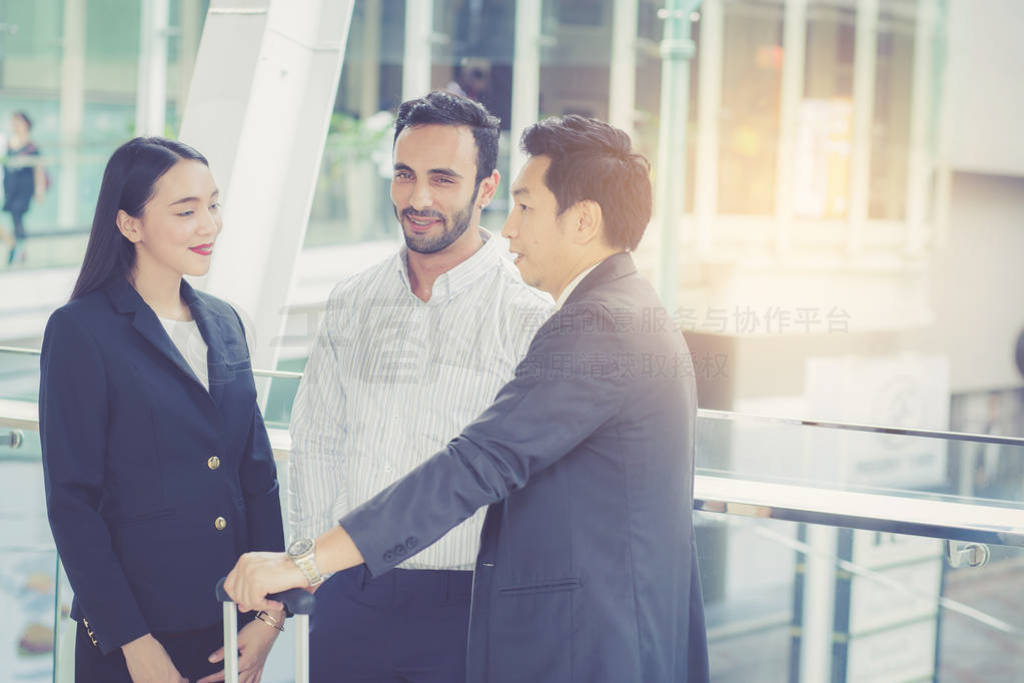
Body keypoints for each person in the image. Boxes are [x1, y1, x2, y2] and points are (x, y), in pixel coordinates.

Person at [226, 115, 710, 682]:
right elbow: (321, 446)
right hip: (592, 630)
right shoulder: (628, 308)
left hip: (585, 640)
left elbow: (478, 463)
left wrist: (303, 563)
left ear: (582, 220)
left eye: (525, 207)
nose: (510, 230)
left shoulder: (597, 323)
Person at [288, 90, 552, 681]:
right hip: (349, 596)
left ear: (487, 189)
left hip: (471, 606)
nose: (418, 199)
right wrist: (316, 574)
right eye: (404, 175)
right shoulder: (352, 301)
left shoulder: (529, 315)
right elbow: (317, 443)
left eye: (443, 179)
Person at [39, 137, 285, 682]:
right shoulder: (81, 331)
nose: (210, 225)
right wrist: (133, 643)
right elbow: (71, 503)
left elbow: (257, 476)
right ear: (130, 225)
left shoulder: (225, 323)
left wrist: (271, 613)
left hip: (230, 630)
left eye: (213, 205)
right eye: (186, 211)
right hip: (135, 639)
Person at [2, 111, 46, 265]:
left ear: (26, 124)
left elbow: (38, 168)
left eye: (18, 122)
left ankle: (19, 249)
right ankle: (18, 248)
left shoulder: (32, 146)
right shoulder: (10, 143)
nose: (15, 125)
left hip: (24, 188)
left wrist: (39, 190)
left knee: (17, 215)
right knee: (15, 218)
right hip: (11, 187)